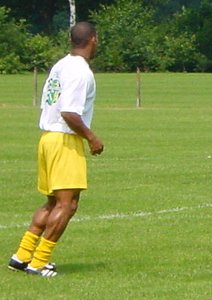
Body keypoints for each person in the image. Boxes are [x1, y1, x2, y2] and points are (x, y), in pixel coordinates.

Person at [8, 21, 104, 277]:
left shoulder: (61, 64)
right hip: (64, 140)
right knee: (68, 204)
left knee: (53, 203)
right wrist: (92, 138)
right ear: (93, 39)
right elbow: (70, 112)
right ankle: (39, 262)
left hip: (48, 138)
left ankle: (21, 255)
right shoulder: (81, 71)